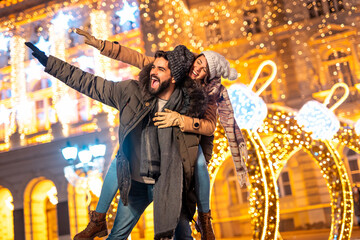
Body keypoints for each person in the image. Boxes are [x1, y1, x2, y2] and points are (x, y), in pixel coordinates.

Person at [75, 28, 249, 240]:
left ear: (208, 76)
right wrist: (102, 45)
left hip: (186, 144)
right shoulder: (177, 69)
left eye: (203, 69)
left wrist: (180, 120)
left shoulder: (210, 94)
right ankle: (98, 219)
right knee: (122, 158)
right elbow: (136, 57)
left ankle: (204, 218)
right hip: (158, 137)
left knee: (200, 168)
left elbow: (209, 127)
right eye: (199, 61)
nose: (197, 68)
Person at [25, 42, 208, 240]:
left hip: (168, 186)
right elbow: (90, 83)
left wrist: (201, 210)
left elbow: (197, 158)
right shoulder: (131, 91)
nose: (153, 71)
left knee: (182, 236)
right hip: (136, 184)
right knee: (115, 237)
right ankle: (97, 221)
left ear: (173, 78)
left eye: (161, 69)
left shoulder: (185, 110)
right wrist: (51, 64)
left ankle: (204, 223)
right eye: (153, 66)